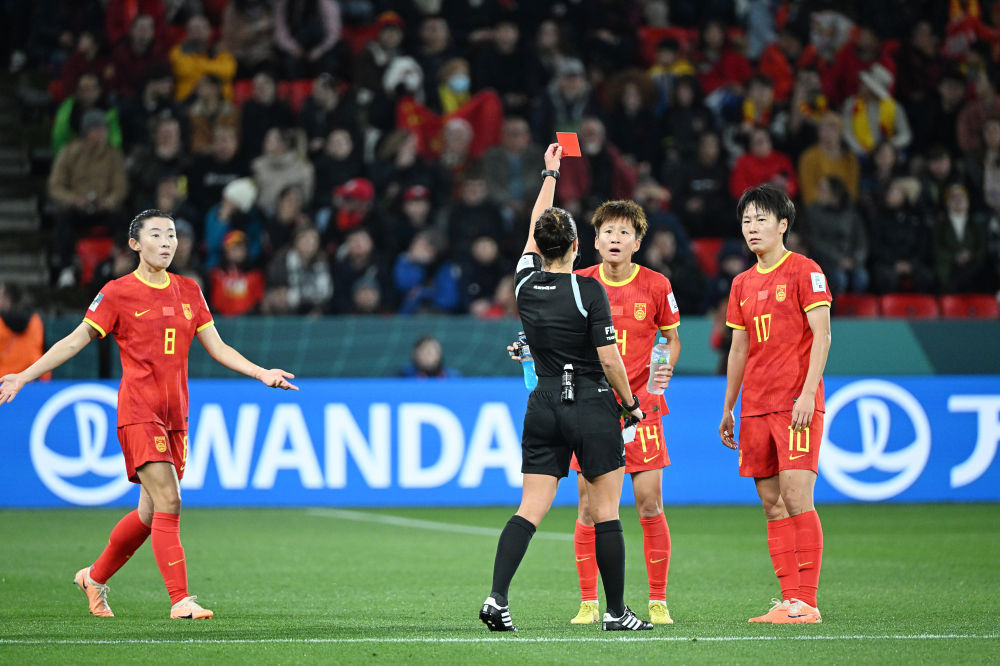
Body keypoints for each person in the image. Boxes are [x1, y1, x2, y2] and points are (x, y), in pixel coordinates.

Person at [0, 209, 297, 620]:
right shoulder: (118, 292)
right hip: (138, 412)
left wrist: (262, 373)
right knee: (170, 500)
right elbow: (74, 341)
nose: (166, 242)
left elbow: (218, 347)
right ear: (135, 244)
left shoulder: (190, 290)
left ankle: (93, 578)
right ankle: (180, 599)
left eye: (171, 234)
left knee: (149, 512)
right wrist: (24, 376)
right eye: (156, 234)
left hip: (177, 417)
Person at [480, 144, 652, 633]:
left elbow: (536, 229)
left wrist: (549, 174)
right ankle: (616, 612)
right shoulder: (587, 288)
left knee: (529, 509)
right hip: (591, 404)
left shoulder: (523, 284)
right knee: (605, 512)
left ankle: (497, 598)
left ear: (537, 246)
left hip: (543, 402)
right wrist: (630, 404)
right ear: (578, 245)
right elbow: (610, 359)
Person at [558, 200, 681, 627]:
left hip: (642, 410)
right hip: (593, 408)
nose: (615, 239)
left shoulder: (656, 285)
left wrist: (661, 376)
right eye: (608, 232)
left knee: (650, 503)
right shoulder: (579, 284)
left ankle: (658, 600)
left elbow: (670, 339)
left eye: (624, 232)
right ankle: (589, 602)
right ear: (594, 241)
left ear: (637, 242)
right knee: (588, 508)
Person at [718, 185, 832, 625]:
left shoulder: (805, 270)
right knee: (772, 503)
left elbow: (822, 335)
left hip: (795, 402)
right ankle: (789, 600)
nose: (752, 228)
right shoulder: (741, 283)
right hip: (755, 406)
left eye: (761, 219)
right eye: (746, 220)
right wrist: (729, 406)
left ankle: (808, 602)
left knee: (797, 496)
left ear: (783, 224)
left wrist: (808, 393)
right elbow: (738, 350)